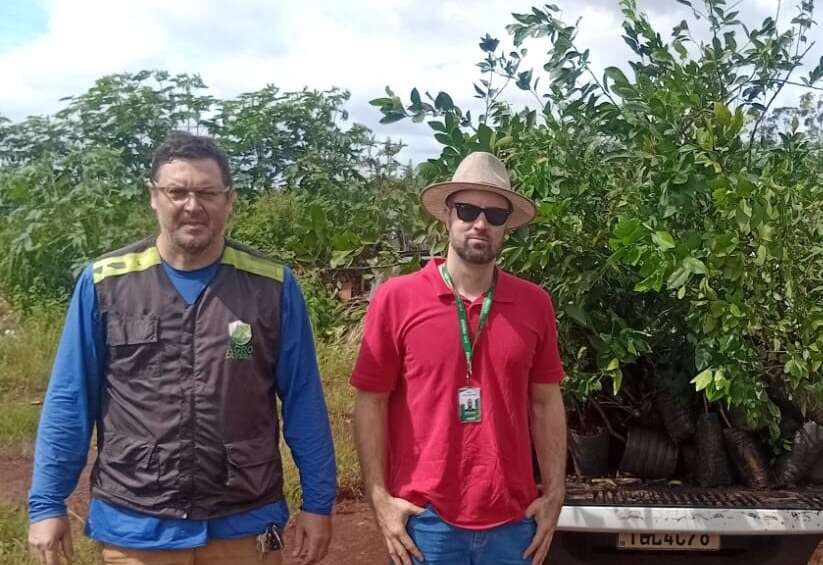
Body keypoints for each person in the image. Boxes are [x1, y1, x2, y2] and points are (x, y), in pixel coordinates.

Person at [27, 132, 336, 565]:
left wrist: (318, 503)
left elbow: (304, 401)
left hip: (244, 519)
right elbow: (69, 399)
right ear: (154, 197)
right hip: (137, 521)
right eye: (177, 191)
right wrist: (47, 503)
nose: (193, 205)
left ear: (229, 199)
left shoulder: (271, 286)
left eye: (207, 192)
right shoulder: (105, 283)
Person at [351, 151, 567, 565]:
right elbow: (370, 401)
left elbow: (545, 402)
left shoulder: (534, 304)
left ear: (507, 227)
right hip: (427, 522)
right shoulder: (397, 299)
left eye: (495, 215)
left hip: (514, 520)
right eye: (467, 210)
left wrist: (555, 493)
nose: (480, 223)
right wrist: (378, 497)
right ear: (446, 216)